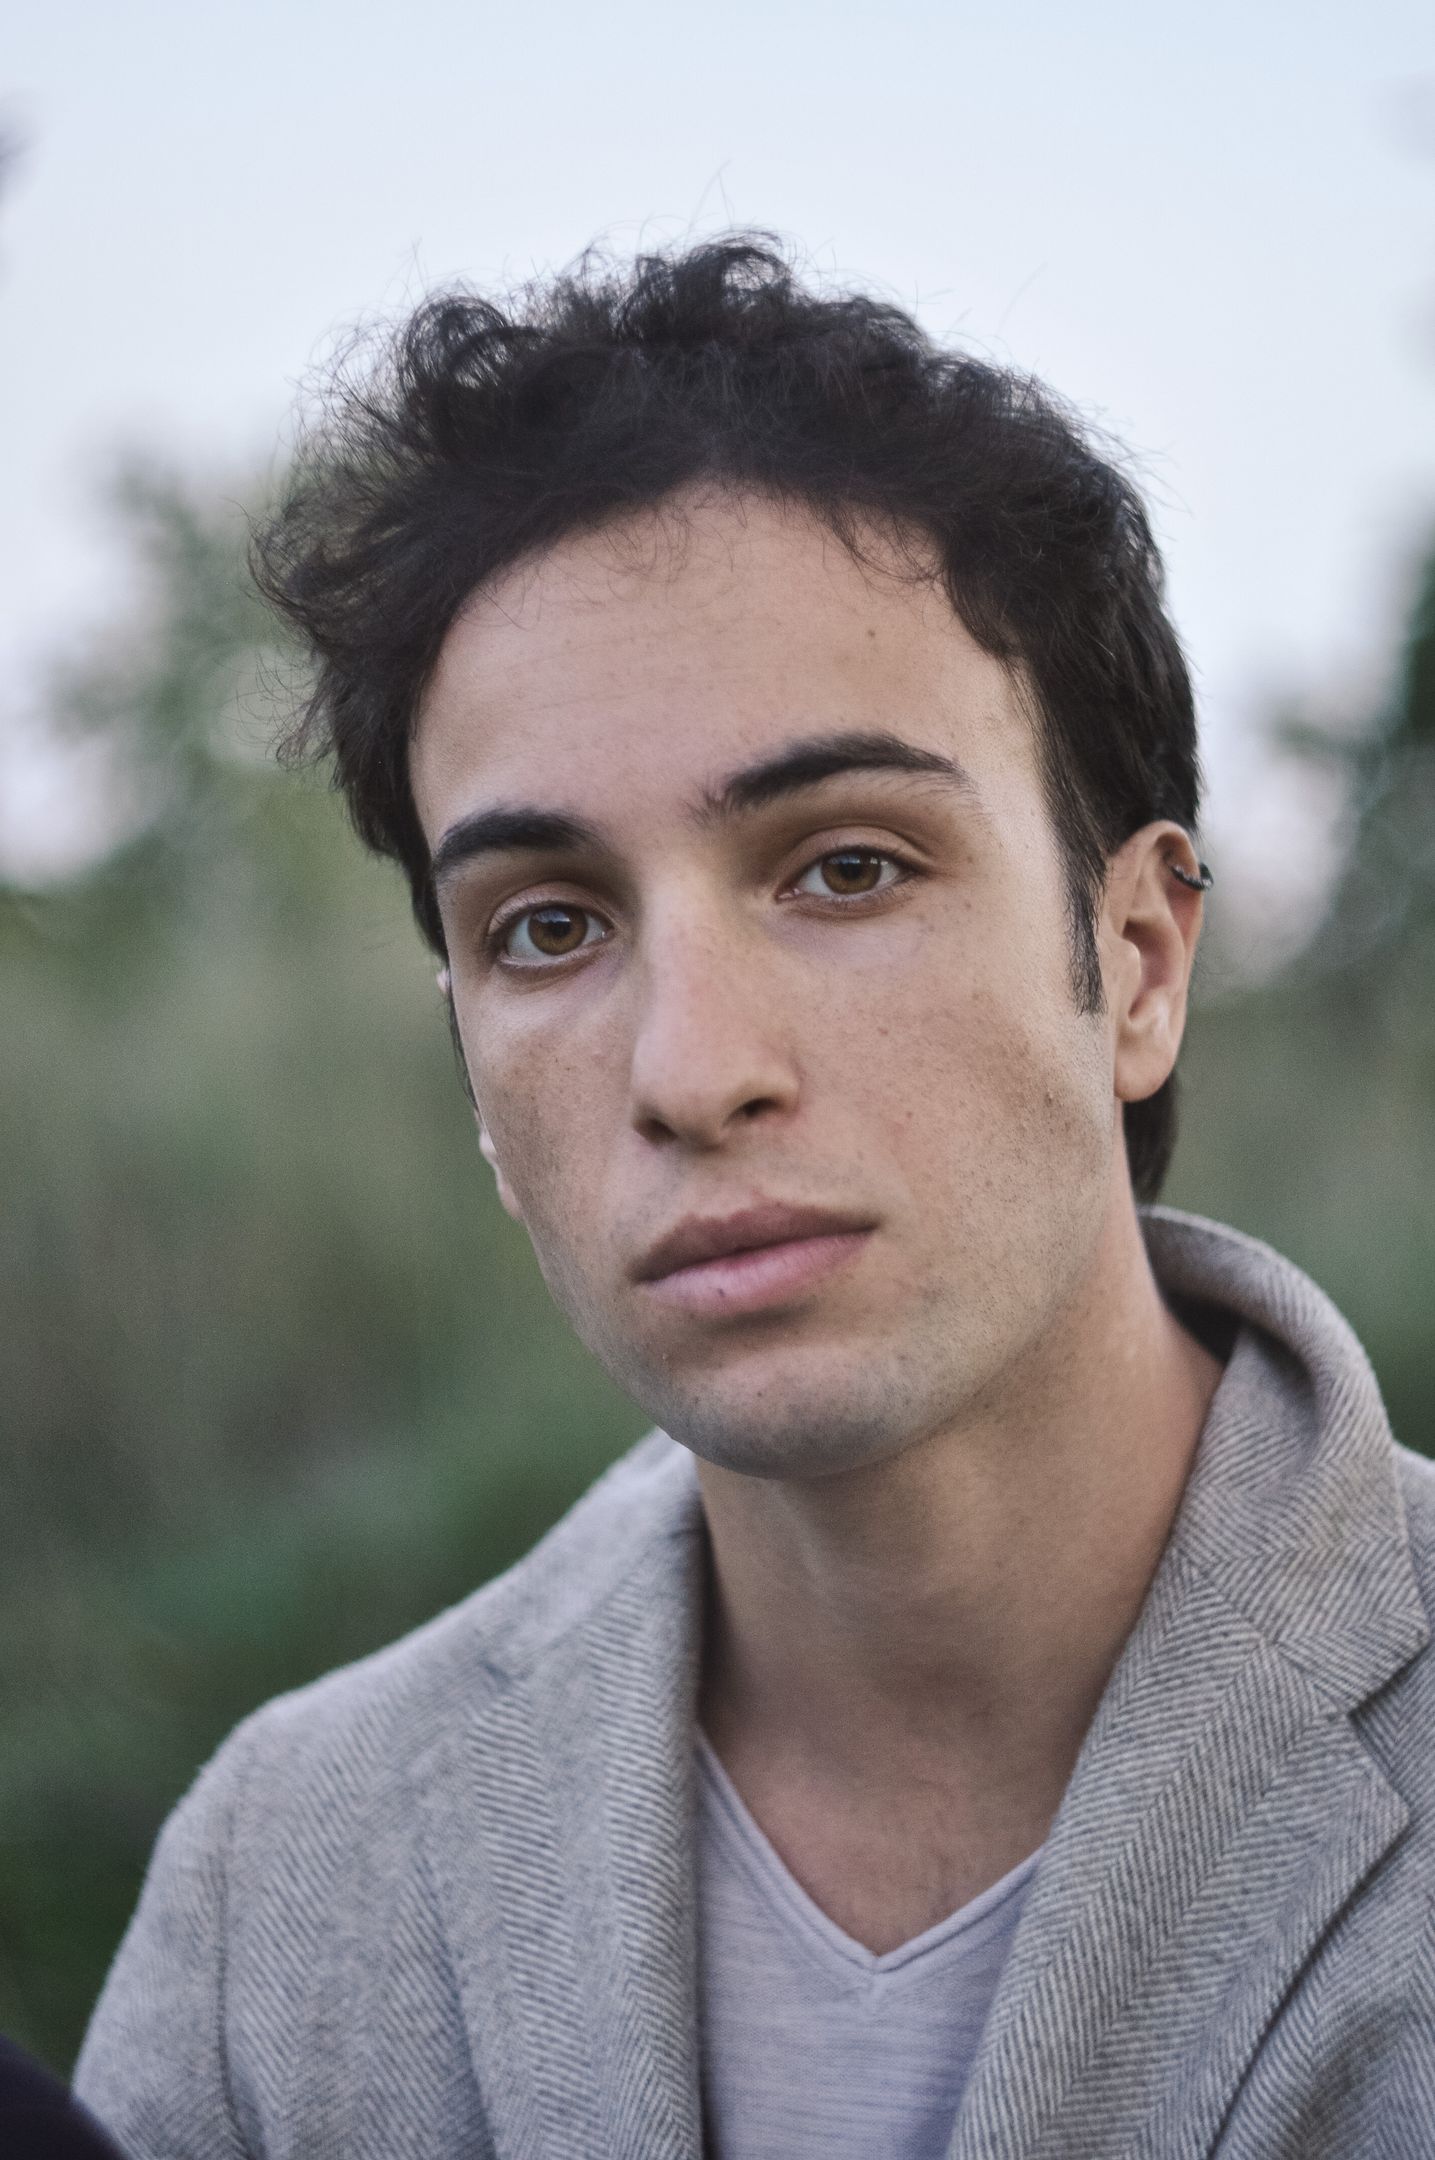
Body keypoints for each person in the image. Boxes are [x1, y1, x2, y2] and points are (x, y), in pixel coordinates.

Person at [76, 239, 1435, 2159]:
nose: (691, 1067)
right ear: (473, 1078)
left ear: (1136, 962)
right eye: (547, 928)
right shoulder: (279, 1892)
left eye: (848, 868)